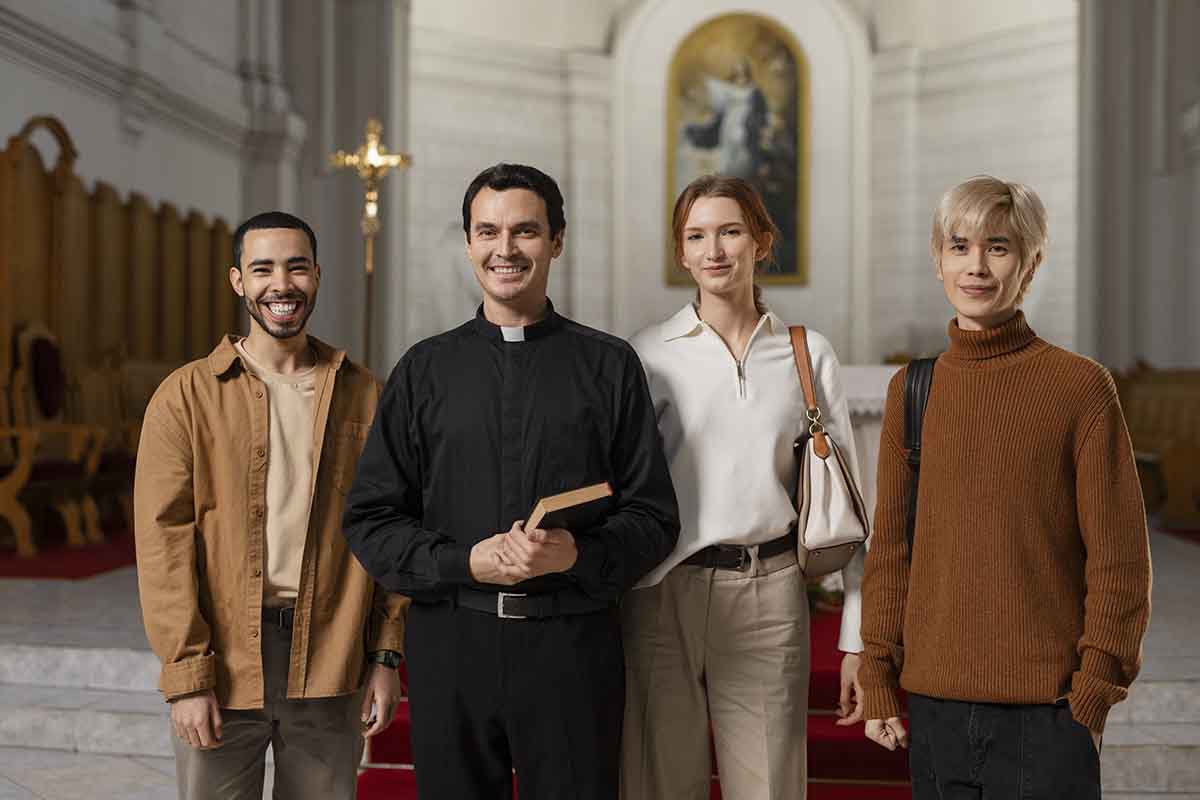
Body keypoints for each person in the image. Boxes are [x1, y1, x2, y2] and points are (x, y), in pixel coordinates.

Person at [341, 163, 680, 800]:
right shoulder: (424, 369)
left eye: (525, 231)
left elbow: (654, 516)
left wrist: (580, 552)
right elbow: (371, 520)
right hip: (452, 643)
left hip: (572, 645)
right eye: (487, 231)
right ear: (468, 243)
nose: (505, 249)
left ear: (556, 241)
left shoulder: (609, 365)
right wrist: (464, 560)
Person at [858, 176, 1152, 799]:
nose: (977, 266)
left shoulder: (1080, 387)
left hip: (1048, 713)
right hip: (936, 706)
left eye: (998, 247)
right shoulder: (912, 391)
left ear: (1031, 262)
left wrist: (1095, 687)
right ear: (937, 259)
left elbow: (1120, 557)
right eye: (959, 246)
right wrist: (880, 673)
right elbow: (891, 549)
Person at [134, 211, 408, 800]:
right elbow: (164, 544)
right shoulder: (186, 397)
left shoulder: (367, 394)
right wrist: (186, 677)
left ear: (317, 276)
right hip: (224, 657)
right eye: (262, 269)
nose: (280, 284)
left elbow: (394, 528)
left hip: (333, 654)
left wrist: (385, 655)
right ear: (238, 281)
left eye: (296, 267)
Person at [622, 173, 867, 799]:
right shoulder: (647, 354)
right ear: (680, 251)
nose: (715, 251)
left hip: (769, 593)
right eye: (696, 236)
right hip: (661, 592)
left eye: (730, 231)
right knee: (659, 785)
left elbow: (850, 503)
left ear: (761, 239)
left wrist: (856, 635)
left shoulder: (807, 353)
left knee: (769, 788)